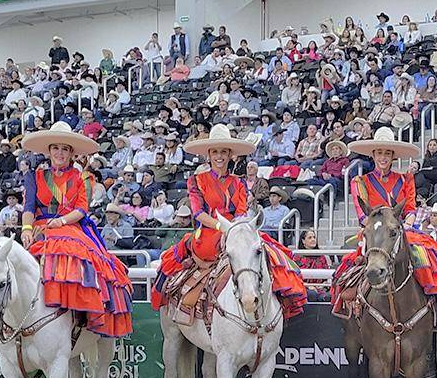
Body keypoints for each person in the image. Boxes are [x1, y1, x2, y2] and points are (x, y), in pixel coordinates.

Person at [150, 123, 305, 318]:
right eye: (215, 151)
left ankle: (281, 297)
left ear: (231, 154)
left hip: (236, 229)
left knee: (267, 249)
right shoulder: (196, 180)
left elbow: (241, 211)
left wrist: (236, 228)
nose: (219, 156)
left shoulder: (238, 181)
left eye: (223, 151)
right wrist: (220, 226)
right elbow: (198, 213)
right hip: (208, 232)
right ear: (208, 154)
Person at [330, 127, 437, 320]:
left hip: (401, 229)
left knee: (425, 253)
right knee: (353, 266)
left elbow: (410, 208)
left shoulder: (405, 179)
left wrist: (405, 225)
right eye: (379, 153)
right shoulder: (360, 181)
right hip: (373, 232)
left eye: (387, 153)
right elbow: (362, 215)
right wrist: (379, 228)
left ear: (393, 157)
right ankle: (352, 305)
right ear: (373, 155)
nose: (383, 157)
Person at [19, 122, 133, 337]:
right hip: (39, 227)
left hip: (70, 226)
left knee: (75, 254)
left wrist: (61, 222)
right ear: (49, 150)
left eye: (65, 149)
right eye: (56, 148)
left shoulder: (83, 177)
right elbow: (28, 208)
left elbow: (81, 210)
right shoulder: (35, 177)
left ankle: (80, 314)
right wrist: (25, 229)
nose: (60, 153)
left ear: (71, 152)